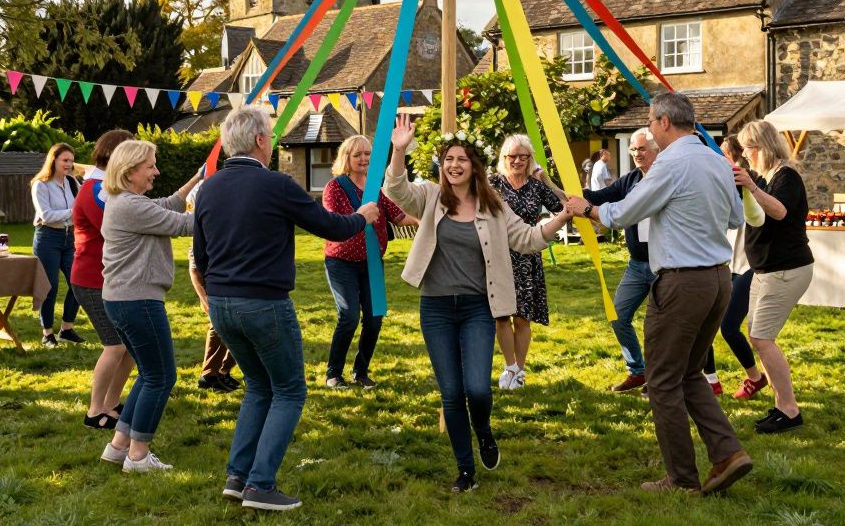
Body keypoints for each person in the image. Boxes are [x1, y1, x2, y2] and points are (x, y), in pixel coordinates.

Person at [565, 93, 751, 495]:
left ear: (665, 122)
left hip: (682, 282)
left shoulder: (671, 162)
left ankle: (682, 480)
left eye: (651, 121)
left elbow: (621, 214)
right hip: (719, 279)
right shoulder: (716, 160)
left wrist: (585, 208)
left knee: (663, 380)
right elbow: (737, 217)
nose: (649, 128)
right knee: (688, 372)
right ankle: (728, 453)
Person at [195, 106, 378, 512]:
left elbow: (201, 257)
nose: (274, 141)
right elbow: (330, 226)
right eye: (272, 135)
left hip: (222, 304)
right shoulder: (277, 184)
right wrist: (362, 216)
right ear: (260, 140)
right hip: (263, 302)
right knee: (290, 390)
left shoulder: (208, 188)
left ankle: (238, 476)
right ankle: (260, 485)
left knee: (259, 386)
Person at [385, 115, 574, 494]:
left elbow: (529, 238)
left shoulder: (494, 205)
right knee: (451, 393)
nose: (454, 165)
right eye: (448, 159)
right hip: (436, 308)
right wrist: (400, 150)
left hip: (476, 309)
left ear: (475, 165)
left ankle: (484, 430)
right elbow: (396, 190)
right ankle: (465, 471)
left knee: (478, 390)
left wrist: (564, 216)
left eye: (462, 159)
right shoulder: (430, 196)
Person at [97, 139, 203, 473]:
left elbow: (171, 204)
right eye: (151, 166)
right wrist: (226, 205)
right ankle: (139, 456)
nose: (156, 171)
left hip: (123, 299)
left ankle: (118, 447)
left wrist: (197, 179)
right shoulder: (131, 206)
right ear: (130, 172)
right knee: (161, 376)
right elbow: (186, 224)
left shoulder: (125, 200)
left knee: (148, 373)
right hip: (137, 301)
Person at [733, 121, 813, 435]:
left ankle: (789, 410)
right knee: (759, 337)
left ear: (762, 147)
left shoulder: (786, 176)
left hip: (786, 269)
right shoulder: (765, 176)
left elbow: (779, 212)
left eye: (747, 149)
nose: (745, 155)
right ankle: (781, 405)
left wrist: (752, 188)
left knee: (762, 339)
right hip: (766, 271)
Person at [321, 135, 417, 390]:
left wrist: (424, 219)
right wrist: (361, 216)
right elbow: (335, 222)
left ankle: (361, 372)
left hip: (372, 262)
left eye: (367, 154)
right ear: (347, 158)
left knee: (375, 318)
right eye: (358, 155)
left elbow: (397, 215)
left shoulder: (375, 186)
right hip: (341, 262)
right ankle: (334, 373)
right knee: (349, 316)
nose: (364, 159)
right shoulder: (335, 187)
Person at [70, 129, 137, 430]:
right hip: (91, 278)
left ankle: (110, 403)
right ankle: (95, 410)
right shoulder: (96, 189)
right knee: (115, 346)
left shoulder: (103, 187)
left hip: (106, 277)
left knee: (128, 348)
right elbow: (118, 228)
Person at [583, 128, 657, 395]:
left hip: (666, 266)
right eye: (633, 149)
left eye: (642, 149)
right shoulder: (630, 180)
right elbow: (596, 198)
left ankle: (661, 380)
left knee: (657, 327)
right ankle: (637, 372)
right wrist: (558, 186)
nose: (637, 154)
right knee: (618, 315)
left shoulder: (665, 178)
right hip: (637, 265)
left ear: (656, 150)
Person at [489, 134, 563, 390]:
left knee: (522, 318)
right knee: (501, 315)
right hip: (499, 256)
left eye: (524, 156)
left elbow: (564, 207)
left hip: (528, 257)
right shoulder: (492, 184)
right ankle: (508, 367)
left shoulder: (536, 185)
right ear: (504, 158)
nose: (518, 161)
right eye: (512, 156)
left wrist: (546, 179)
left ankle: (519, 370)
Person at [718, 135, 768, 401]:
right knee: (738, 328)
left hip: (750, 264)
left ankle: (756, 378)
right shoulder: (731, 178)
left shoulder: (746, 179)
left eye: (723, 154)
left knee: (730, 327)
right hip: (731, 262)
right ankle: (755, 376)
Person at [31, 142, 83, 347]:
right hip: (47, 239)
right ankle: (47, 333)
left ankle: (67, 329)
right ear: (54, 160)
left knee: (78, 284)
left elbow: (81, 205)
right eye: (65, 160)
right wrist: (73, 213)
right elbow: (47, 216)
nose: (69, 164)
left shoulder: (72, 182)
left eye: (71, 160)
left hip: (70, 238)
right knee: (49, 287)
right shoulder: (40, 184)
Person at [187, 190, 240, 393]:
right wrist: (203, 297)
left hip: (234, 278)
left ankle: (222, 371)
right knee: (219, 326)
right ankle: (209, 375)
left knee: (238, 326)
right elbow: (194, 269)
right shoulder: (200, 229)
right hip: (214, 283)